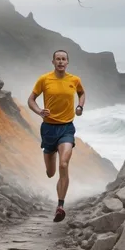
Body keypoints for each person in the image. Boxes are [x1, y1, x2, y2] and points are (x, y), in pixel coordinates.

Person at [27, 49, 85, 222]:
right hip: (48, 129)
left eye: (64, 59)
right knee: (51, 172)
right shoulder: (44, 79)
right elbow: (31, 100)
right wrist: (39, 111)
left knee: (64, 164)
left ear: (67, 62)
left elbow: (81, 93)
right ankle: (49, 158)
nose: (61, 62)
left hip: (66, 128)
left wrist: (80, 107)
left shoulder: (74, 80)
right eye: (58, 59)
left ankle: (60, 206)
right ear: (53, 62)